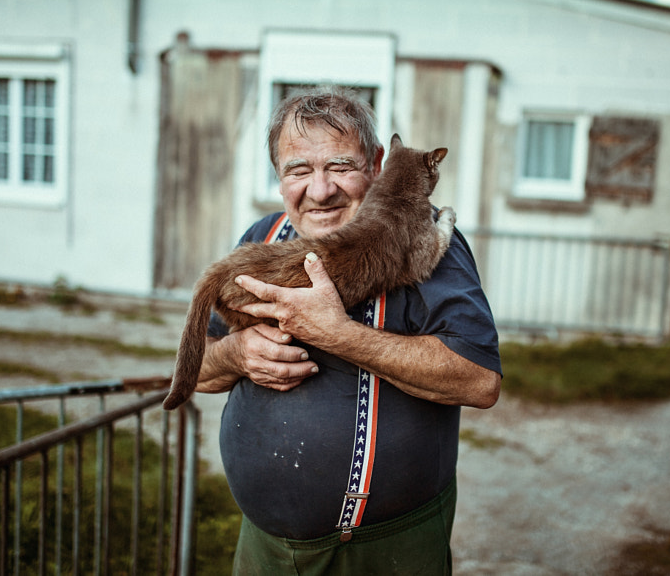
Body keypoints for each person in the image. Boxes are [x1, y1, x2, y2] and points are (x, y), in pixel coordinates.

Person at [195, 87, 502, 575]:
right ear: (279, 177)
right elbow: (200, 369)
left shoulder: (420, 238)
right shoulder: (263, 239)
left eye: (340, 166)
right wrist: (236, 353)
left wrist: (337, 333)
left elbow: (479, 380)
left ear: (377, 165)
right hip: (266, 550)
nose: (320, 190)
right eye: (299, 170)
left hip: (384, 553)